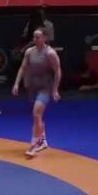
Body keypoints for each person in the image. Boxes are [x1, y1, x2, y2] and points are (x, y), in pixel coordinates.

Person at [11, 27, 61, 157]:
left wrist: (55, 89)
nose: (34, 39)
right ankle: (43, 141)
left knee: (36, 114)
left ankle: (34, 145)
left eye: (37, 37)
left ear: (45, 38)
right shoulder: (29, 52)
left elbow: (57, 71)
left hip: (45, 87)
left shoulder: (50, 53)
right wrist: (16, 83)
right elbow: (23, 68)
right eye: (34, 37)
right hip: (33, 87)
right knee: (38, 117)